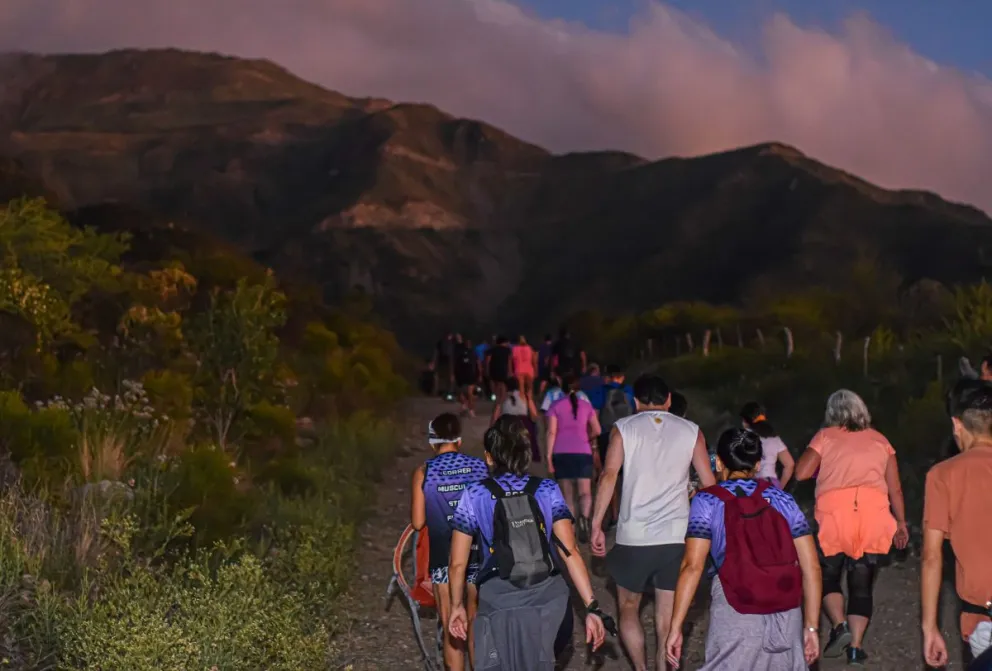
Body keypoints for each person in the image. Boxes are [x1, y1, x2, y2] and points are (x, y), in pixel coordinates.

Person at [448, 416, 608, 669]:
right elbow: (570, 552)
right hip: (550, 603)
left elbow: (457, 564)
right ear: (526, 454)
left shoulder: (474, 493)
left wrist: (456, 606)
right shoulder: (547, 489)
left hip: (498, 603)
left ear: (489, 457)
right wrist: (592, 607)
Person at [666, 428, 822, 670]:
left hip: (734, 603)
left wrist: (675, 627)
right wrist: (811, 626)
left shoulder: (707, 501)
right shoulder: (783, 500)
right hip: (786, 608)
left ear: (718, 462)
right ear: (758, 464)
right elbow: (811, 566)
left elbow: (692, 566)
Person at [590, 374, 717, 671]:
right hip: (676, 536)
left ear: (636, 402)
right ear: (669, 399)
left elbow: (609, 475)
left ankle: (640, 668)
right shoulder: (692, 431)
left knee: (628, 608)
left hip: (633, 535)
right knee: (667, 618)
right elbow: (709, 485)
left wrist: (597, 522)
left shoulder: (623, 429)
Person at [794, 389, 909, 666]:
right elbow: (894, 487)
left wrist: (826, 463)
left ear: (831, 412)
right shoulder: (881, 440)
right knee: (862, 585)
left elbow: (801, 473)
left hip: (835, 515)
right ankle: (856, 648)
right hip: (873, 515)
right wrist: (901, 522)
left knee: (827, 576)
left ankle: (839, 625)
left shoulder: (825, 436)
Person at [921, 379, 992, 668]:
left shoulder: (943, 475)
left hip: (982, 618)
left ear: (956, 424)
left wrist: (929, 628)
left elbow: (931, 556)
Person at [410, 414, 489, 671]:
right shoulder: (480, 467)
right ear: (459, 440)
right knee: (475, 622)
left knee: (451, 627)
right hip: (477, 554)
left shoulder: (425, 472)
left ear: (433, 442)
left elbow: (419, 523)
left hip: (444, 556)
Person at [546, 374, 601, 542]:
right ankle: (585, 517)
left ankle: (573, 526)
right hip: (583, 452)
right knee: (585, 492)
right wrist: (587, 438)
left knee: (568, 495)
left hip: (561, 453)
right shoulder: (586, 405)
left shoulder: (555, 406)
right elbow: (597, 430)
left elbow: (551, 432)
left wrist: (548, 457)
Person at [590, 365, 635, 525]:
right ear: (622, 376)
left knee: (610, 474)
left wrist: (593, 442)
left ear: (608, 377)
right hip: (629, 436)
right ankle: (630, 512)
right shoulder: (630, 391)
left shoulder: (600, 391)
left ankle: (614, 515)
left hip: (607, 436)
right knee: (630, 476)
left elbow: (594, 416)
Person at [740, 402, 795, 490]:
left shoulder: (742, 438)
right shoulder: (774, 438)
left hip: (751, 486)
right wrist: (780, 488)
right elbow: (789, 464)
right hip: (771, 485)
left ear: (746, 421)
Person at [491, 377, 541, 463]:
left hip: (508, 425)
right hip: (523, 425)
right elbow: (535, 416)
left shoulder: (503, 398)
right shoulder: (524, 397)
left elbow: (494, 418)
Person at [487, 336, 514, 415]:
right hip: (503, 371)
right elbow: (509, 362)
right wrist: (510, 372)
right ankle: (499, 407)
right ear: (505, 342)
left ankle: (497, 405)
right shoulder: (507, 350)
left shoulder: (491, 350)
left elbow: (487, 361)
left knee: (496, 390)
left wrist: (487, 371)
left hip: (493, 371)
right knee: (503, 391)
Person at [454, 335, 479, 418]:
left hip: (471, 375)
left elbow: (477, 364)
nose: (468, 344)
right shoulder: (460, 352)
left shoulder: (473, 353)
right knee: (460, 393)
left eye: (469, 343)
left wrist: (479, 374)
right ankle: (465, 405)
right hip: (462, 375)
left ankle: (471, 410)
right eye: (466, 343)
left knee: (470, 393)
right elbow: (457, 364)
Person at [511, 335, 537, 406]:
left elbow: (512, 360)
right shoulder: (530, 348)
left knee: (521, 391)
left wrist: (512, 371)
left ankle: (523, 406)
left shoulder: (514, 349)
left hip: (519, 370)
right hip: (529, 371)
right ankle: (530, 405)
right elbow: (534, 361)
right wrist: (536, 371)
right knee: (529, 390)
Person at [434, 331, 456, 399]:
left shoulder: (451, 344)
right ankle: (447, 392)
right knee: (447, 378)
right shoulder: (443, 343)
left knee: (450, 378)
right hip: (445, 362)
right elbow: (437, 353)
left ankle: (449, 392)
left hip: (448, 362)